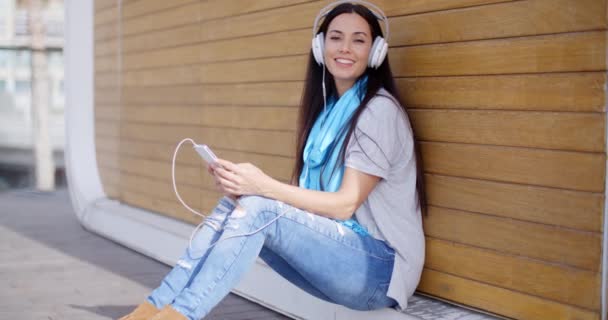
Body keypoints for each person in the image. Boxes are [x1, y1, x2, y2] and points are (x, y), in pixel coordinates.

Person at [118, 1, 425, 319]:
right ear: (320, 47)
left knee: (258, 207)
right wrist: (244, 186)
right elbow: (297, 206)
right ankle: (151, 309)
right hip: (344, 256)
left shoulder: (378, 112)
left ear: (376, 51)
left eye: (359, 40)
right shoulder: (327, 114)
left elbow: (345, 205)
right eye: (336, 38)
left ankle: (177, 316)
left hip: (378, 271)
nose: (345, 48)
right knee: (240, 203)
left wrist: (263, 186)